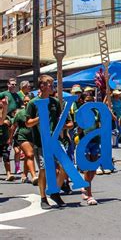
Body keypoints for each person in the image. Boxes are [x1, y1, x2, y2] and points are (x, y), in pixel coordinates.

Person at [26, 75, 73, 209]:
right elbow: (28, 123)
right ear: (41, 86)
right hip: (41, 142)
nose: (52, 87)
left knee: (66, 167)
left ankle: (55, 191)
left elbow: (59, 120)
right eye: (49, 84)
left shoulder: (55, 102)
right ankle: (43, 198)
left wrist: (65, 126)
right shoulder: (33, 103)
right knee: (44, 169)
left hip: (56, 141)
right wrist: (40, 118)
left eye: (52, 84)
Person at [11, 95, 38, 184]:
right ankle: (34, 176)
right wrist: (10, 138)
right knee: (30, 154)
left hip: (34, 137)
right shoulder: (20, 113)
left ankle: (24, 175)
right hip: (22, 137)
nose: (26, 103)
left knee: (27, 156)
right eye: (25, 101)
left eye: (28, 101)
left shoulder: (36, 112)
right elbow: (13, 126)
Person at [0, 97, 14, 181]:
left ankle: (9, 173)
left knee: (6, 157)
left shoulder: (7, 117)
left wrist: (10, 138)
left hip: (4, 140)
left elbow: (11, 128)